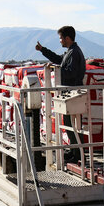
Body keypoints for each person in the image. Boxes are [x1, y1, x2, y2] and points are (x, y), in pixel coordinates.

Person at [35, 26, 86, 163]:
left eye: (61, 38)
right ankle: (75, 151)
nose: (60, 41)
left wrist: (56, 71)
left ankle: (78, 154)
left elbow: (71, 72)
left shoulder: (74, 53)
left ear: (67, 38)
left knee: (71, 124)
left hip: (72, 93)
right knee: (70, 124)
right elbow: (58, 59)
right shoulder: (70, 52)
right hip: (70, 93)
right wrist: (43, 50)